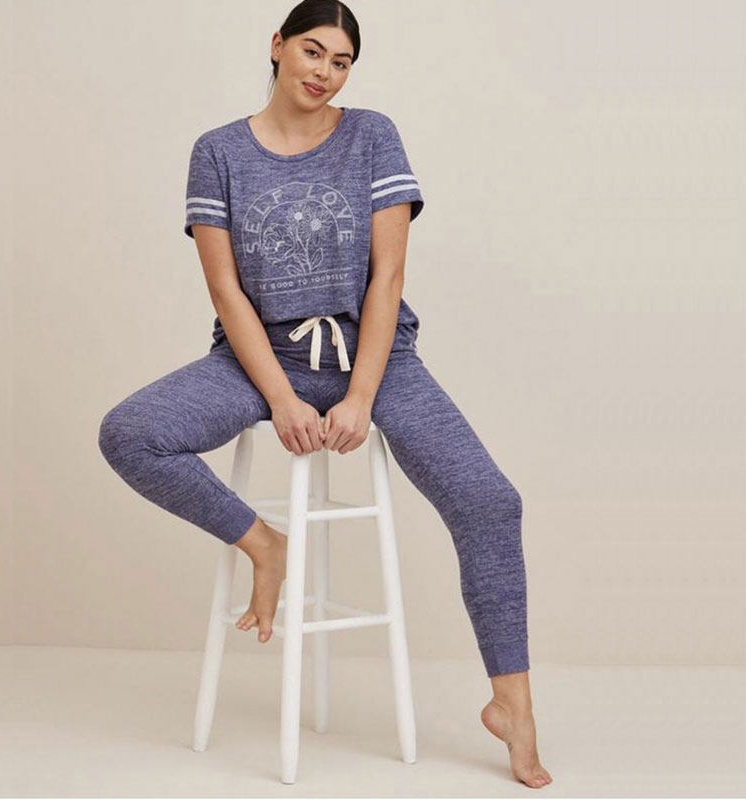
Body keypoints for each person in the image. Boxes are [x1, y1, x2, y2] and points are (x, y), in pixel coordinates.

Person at [97, 0, 552, 788]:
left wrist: (361, 395)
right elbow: (226, 291)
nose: (325, 72)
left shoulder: (372, 136)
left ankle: (512, 705)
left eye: (341, 62)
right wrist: (280, 399)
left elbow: (388, 277)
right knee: (129, 433)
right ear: (277, 46)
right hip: (258, 358)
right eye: (313, 51)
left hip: (373, 357)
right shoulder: (218, 152)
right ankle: (264, 545)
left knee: (489, 501)